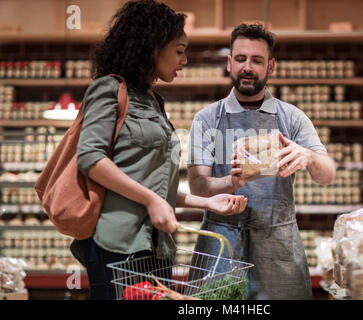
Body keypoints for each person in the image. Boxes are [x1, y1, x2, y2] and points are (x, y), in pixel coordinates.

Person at [70, 0, 247, 300]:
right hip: (119, 248)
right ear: (152, 47)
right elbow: (90, 158)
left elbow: (154, 185)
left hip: (158, 249)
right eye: (179, 51)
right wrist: (151, 200)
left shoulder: (154, 101)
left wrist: (207, 203)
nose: (185, 60)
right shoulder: (109, 89)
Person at [188, 23, 336, 300]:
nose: (248, 67)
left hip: (278, 247)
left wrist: (310, 157)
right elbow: (197, 185)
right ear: (229, 63)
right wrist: (229, 182)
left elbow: (327, 175)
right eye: (241, 59)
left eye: (257, 60)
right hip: (221, 245)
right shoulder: (207, 119)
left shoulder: (292, 117)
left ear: (271, 66)